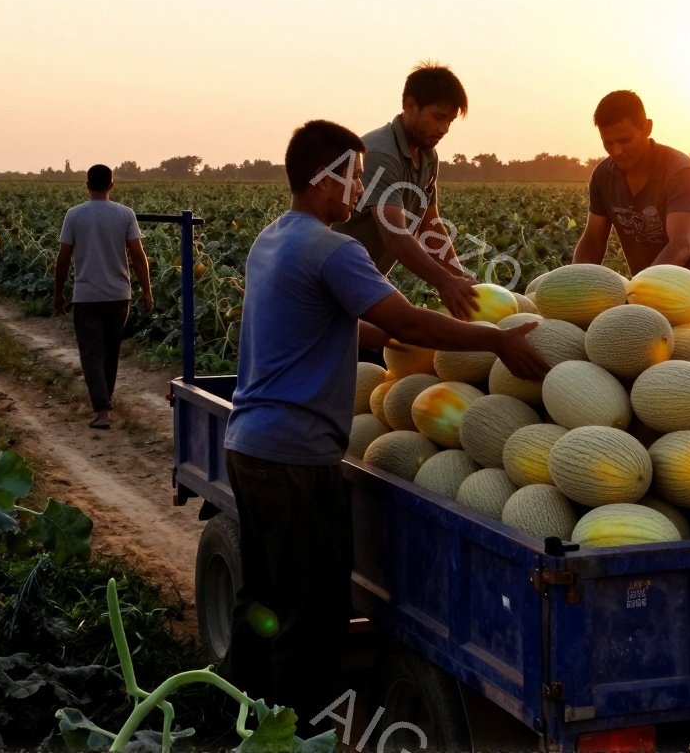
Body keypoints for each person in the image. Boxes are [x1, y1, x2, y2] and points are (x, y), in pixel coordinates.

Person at [223, 120, 551, 731]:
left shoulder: (272, 240)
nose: (360, 189)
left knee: (262, 597)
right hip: (296, 459)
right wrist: (494, 341)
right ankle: (297, 737)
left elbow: (354, 327)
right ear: (323, 182)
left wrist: (414, 343)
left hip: (250, 445)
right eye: (351, 176)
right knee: (312, 611)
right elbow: (408, 322)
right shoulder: (335, 249)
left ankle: (242, 717)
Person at [331, 63, 482, 318]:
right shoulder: (379, 152)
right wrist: (445, 282)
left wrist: (460, 277)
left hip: (367, 282)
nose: (444, 128)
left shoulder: (428, 156)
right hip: (337, 281)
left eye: (450, 121)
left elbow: (430, 225)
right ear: (410, 106)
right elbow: (395, 234)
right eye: (438, 116)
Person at [573, 90, 690, 308]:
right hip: (650, 297)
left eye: (625, 140)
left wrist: (640, 293)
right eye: (608, 143)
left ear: (647, 128)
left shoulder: (680, 171)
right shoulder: (603, 176)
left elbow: (680, 245)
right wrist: (573, 284)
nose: (617, 151)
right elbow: (593, 240)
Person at [51, 164, 153, 429]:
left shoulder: (74, 215)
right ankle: (105, 402)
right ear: (111, 185)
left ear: (87, 185)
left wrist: (58, 292)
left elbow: (63, 259)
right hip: (119, 295)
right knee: (111, 351)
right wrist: (147, 290)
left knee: (91, 353)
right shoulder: (125, 214)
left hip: (86, 295)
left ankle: (102, 408)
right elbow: (138, 255)